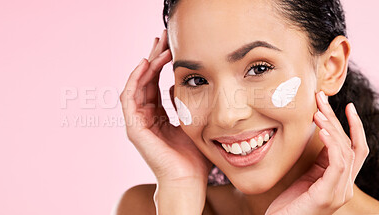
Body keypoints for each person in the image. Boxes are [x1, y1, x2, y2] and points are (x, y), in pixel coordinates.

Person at [116, 0, 379, 214]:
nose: (226, 116)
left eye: (259, 69)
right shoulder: (150, 208)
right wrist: (179, 190)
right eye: (196, 80)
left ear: (330, 67)